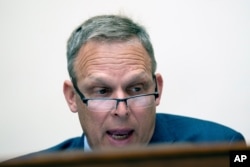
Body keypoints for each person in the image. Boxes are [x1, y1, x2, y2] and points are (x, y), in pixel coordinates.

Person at [8, 14, 246, 159]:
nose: (121, 110)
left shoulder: (224, 150)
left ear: (157, 89)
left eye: (136, 89)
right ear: (72, 97)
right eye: (102, 91)